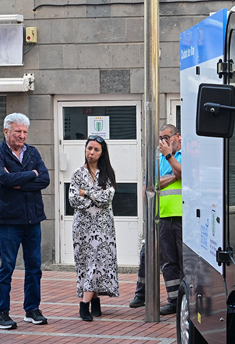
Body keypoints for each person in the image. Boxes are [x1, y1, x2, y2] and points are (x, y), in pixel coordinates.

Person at [0, 113, 50, 329]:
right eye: (18, 131)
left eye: (24, 132)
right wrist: (30, 175)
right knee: (7, 267)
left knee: (34, 266)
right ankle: (1, 313)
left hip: (33, 218)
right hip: (8, 220)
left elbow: (45, 179)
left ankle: (32, 309)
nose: (22, 135)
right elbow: (4, 179)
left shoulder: (32, 152)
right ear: (6, 131)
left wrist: (20, 181)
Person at [129, 124, 183, 315]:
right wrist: (173, 176)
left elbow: (184, 173)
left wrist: (171, 161)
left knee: (184, 261)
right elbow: (151, 184)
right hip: (162, 216)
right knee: (167, 262)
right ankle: (174, 300)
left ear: (178, 137)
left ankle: (185, 299)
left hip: (182, 216)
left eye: (167, 137)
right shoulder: (157, 158)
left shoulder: (184, 155)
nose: (163, 142)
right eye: (161, 138)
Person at [69, 136, 119, 321]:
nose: (91, 152)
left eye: (96, 149)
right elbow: (74, 200)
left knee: (96, 262)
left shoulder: (107, 174)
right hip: (82, 226)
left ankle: (84, 304)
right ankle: (95, 301)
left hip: (103, 227)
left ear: (102, 153)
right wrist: (95, 196)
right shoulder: (77, 173)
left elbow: (107, 199)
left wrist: (87, 192)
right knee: (86, 263)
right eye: (89, 148)